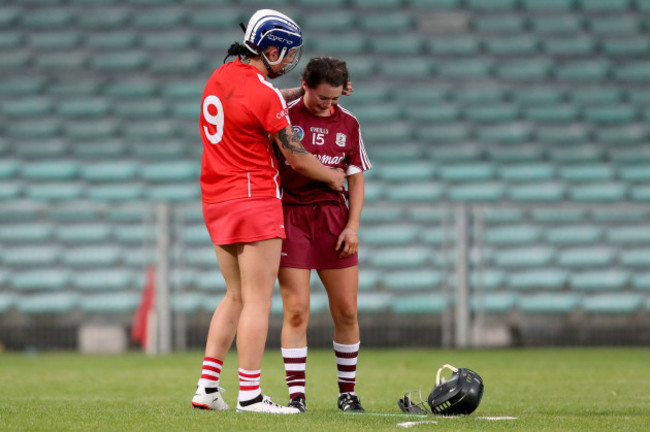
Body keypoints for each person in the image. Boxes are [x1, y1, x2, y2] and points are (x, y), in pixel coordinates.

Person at [191, 10, 346, 415]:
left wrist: (304, 92)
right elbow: (297, 159)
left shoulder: (220, 77)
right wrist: (333, 177)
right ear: (271, 48)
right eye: (287, 54)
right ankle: (250, 396)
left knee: (235, 296)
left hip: (216, 199)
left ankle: (207, 386)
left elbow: (262, 100)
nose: (289, 60)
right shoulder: (262, 94)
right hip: (254, 199)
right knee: (259, 301)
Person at [275, 56, 372, 413]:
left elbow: (356, 176)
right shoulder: (284, 115)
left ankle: (348, 392)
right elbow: (260, 97)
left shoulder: (349, 123)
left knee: (346, 311)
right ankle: (296, 396)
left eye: (334, 99)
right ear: (305, 86)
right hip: (292, 217)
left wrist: (353, 226)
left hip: (334, 219)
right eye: (322, 99)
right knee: (297, 310)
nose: (328, 106)